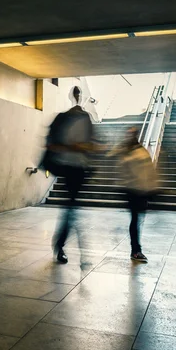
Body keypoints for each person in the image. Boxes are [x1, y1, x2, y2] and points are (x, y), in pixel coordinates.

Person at [42, 86, 98, 264]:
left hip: (79, 168)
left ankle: (61, 245)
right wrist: (74, 147)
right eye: (76, 93)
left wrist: (88, 149)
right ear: (73, 96)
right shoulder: (63, 118)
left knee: (71, 208)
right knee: (71, 208)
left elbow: (91, 144)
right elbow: (50, 144)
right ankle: (60, 245)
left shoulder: (86, 118)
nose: (78, 96)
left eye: (79, 93)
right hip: (67, 167)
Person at [109, 127, 158, 262]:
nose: (130, 136)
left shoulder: (137, 152)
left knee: (136, 219)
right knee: (135, 219)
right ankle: (136, 250)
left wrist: (151, 187)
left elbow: (148, 170)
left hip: (139, 190)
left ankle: (136, 249)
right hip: (133, 190)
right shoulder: (131, 152)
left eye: (132, 134)